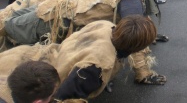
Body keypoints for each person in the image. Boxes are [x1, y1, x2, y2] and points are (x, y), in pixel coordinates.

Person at [0, 0, 172, 85]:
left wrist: (151, 35)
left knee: (12, 22)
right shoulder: (131, 0)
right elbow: (134, 33)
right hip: (53, 16)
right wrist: (143, 73)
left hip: (64, 3)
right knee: (9, 27)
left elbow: (139, 19)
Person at [0, 16, 157, 101]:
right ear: (136, 48)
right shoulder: (96, 67)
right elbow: (64, 94)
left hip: (37, 55)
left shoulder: (105, 25)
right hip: (36, 82)